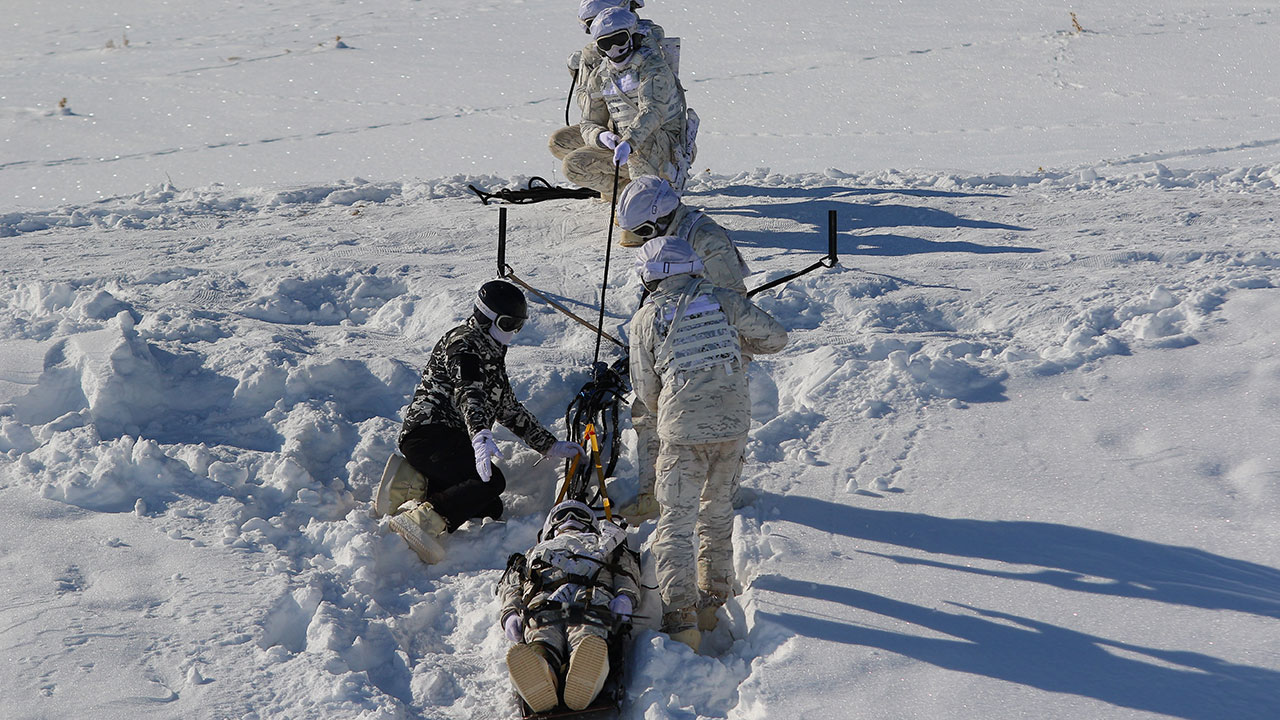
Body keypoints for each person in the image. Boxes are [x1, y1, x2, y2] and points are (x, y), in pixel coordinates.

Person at [627, 237, 787, 650]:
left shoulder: (646, 318)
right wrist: (734, 349)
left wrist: (673, 406)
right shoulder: (724, 301)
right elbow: (776, 338)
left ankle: (681, 618)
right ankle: (714, 601)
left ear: (649, 277)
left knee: (676, 524)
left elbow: (645, 388)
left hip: (682, 431)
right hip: (733, 426)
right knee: (716, 513)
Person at [374, 280, 584, 563]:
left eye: (519, 326)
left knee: (489, 506)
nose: (513, 333)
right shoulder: (464, 345)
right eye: (508, 324)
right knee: (490, 481)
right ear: (487, 317)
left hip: (450, 441)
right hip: (429, 434)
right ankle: (421, 521)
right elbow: (468, 391)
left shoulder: (492, 354)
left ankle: (411, 482)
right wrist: (480, 433)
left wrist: (550, 445)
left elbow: (508, 409)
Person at [614, 175, 749, 522]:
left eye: (643, 232)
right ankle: (657, 494)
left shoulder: (707, 241)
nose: (641, 241)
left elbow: (733, 304)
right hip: (676, 344)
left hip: (713, 352)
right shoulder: (670, 235)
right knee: (648, 410)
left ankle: (712, 497)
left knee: (699, 420)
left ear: (660, 218)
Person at [498, 500, 640, 712]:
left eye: (579, 515)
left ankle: (585, 671)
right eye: (562, 516)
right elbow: (512, 586)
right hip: (544, 602)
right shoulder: (531, 553)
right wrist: (510, 613)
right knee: (542, 637)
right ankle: (542, 671)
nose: (570, 519)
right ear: (550, 525)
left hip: (589, 598)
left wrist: (625, 597)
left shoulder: (608, 544)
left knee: (587, 636)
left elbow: (627, 572)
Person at [561, 7, 692, 199]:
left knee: (644, 143)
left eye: (619, 40)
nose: (614, 49)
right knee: (573, 165)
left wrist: (629, 143)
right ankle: (630, 196)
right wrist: (601, 136)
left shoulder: (653, 67)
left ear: (632, 36)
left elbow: (652, 112)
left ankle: (652, 197)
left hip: (664, 147)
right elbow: (588, 122)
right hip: (627, 147)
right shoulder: (601, 76)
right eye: (606, 43)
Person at [551, 1, 667, 173]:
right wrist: (581, 70)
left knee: (574, 164)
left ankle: (636, 180)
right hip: (614, 127)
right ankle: (622, 179)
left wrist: (591, 65)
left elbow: (653, 107)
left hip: (649, 133)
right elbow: (589, 108)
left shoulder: (644, 43)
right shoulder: (597, 51)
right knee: (559, 142)